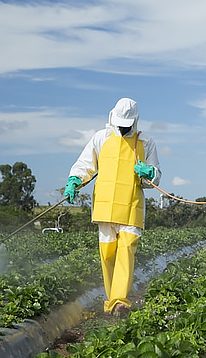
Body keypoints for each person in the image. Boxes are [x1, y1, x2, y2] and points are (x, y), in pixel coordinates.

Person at [63, 98, 161, 316]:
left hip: (131, 205)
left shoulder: (146, 142)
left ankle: (120, 302)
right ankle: (111, 302)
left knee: (126, 250)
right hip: (105, 206)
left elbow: (155, 177)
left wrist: (149, 172)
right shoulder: (101, 138)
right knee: (107, 255)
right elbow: (85, 164)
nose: (123, 126)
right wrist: (74, 182)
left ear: (135, 121)